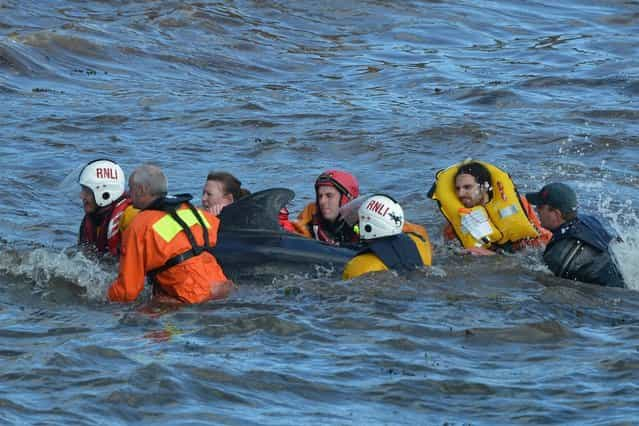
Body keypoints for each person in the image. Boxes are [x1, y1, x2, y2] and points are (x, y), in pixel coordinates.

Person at [108, 164, 233, 304]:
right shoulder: (191, 209)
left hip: (190, 297)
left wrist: (101, 299)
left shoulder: (138, 226)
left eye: (130, 188)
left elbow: (128, 291)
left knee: (143, 314)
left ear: (141, 190)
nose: (128, 193)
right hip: (220, 285)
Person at [428, 160, 552, 255]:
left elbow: (540, 238)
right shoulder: (456, 224)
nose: (460, 194)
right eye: (457, 188)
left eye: (467, 187)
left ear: (485, 186)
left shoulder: (520, 204)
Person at [526, 182, 625, 288]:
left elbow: (545, 282)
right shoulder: (589, 220)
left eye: (540, 207)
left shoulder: (556, 255)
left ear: (556, 214)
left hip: (606, 296)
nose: (536, 210)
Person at [340, 194, 432, 279]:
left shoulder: (358, 265)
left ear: (369, 228)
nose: (357, 232)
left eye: (357, 228)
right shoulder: (421, 242)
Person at [78, 159, 137, 257]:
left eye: (87, 191)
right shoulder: (94, 219)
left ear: (104, 193)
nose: (81, 196)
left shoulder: (131, 216)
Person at [202, 171, 295, 232]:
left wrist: (214, 223)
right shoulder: (200, 219)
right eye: (203, 193)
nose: (203, 199)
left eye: (209, 194)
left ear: (228, 199)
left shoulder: (250, 221)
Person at [293, 169, 361, 245]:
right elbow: (293, 231)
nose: (322, 201)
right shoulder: (311, 215)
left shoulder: (365, 222)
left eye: (329, 196)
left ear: (348, 199)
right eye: (320, 196)